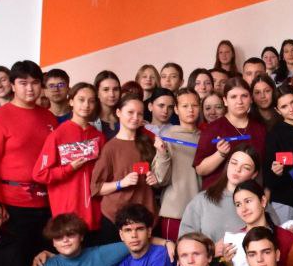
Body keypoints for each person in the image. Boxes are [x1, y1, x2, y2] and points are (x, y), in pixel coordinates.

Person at [0, 60, 59, 266]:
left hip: (46, 203)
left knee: (45, 263)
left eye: (35, 83)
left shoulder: (49, 117)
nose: (30, 88)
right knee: (16, 264)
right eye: (23, 83)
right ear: (13, 85)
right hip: (12, 205)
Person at [32, 81, 107, 236]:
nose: (86, 105)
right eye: (81, 100)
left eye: (91, 101)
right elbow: (40, 174)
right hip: (67, 214)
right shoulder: (57, 135)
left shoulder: (98, 137)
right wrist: (69, 168)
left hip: (95, 212)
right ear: (71, 101)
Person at [90, 95, 170, 228]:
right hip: (116, 217)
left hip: (146, 215)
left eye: (140, 114)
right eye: (130, 112)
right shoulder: (110, 148)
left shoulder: (149, 142)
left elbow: (161, 180)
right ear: (118, 112)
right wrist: (121, 183)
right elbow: (96, 188)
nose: (135, 117)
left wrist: (155, 180)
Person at [193, 79, 265, 190]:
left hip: (249, 195)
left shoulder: (260, 128)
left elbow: (263, 168)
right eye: (233, 97)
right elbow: (200, 169)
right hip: (217, 194)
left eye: (244, 96)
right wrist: (220, 154)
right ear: (225, 101)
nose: (239, 101)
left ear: (251, 99)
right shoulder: (213, 129)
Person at [179, 147, 260, 241]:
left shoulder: (259, 203)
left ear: (254, 174)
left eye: (246, 167)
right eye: (234, 163)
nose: (237, 169)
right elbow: (184, 241)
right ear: (227, 164)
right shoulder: (202, 200)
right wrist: (212, 248)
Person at [219, 180, 293, 266]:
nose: (243, 209)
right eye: (238, 204)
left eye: (248, 201)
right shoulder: (234, 241)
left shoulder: (286, 237)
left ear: (263, 201)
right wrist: (229, 264)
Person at [156, 88, 203, 241]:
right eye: (185, 106)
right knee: (174, 254)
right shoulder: (168, 136)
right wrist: (162, 152)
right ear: (176, 109)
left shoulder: (205, 137)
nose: (190, 110)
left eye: (194, 105)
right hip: (175, 211)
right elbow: (160, 179)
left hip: (201, 210)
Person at [264, 85, 293, 227]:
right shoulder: (274, 135)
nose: (291, 109)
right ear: (278, 110)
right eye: (284, 106)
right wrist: (275, 172)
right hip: (285, 202)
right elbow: (268, 177)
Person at [94, 70, 121, 134]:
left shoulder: (125, 116)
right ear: (97, 93)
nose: (112, 94)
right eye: (106, 89)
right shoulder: (90, 120)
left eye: (115, 89)